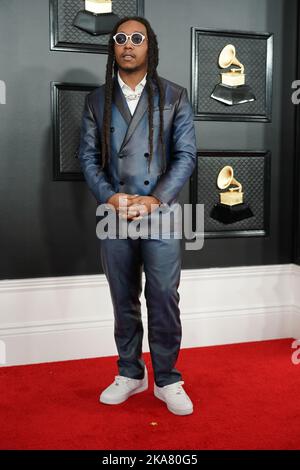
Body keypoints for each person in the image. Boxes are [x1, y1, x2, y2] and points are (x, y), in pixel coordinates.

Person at [79, 16, 197, 416]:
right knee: (122, 297)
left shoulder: (175, 95)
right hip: (114, 213)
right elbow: (88, 159)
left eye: (137, 38)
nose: (128, 44)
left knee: (163, 296)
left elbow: (186, 156)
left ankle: (167, 379)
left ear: (150, 46)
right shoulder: (96, 100)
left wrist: (157, 199)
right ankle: (130, 372)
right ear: (113, 48)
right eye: (120, 38)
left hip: (160, 213)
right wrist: (110, 196)